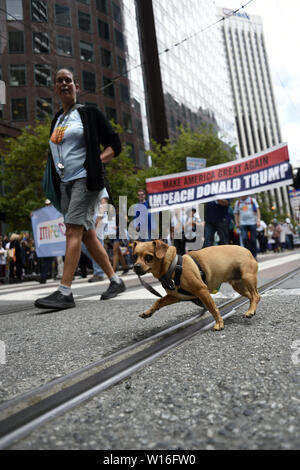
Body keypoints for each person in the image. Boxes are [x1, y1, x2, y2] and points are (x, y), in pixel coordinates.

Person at [35, 68, 125, 310]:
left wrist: (96, 162)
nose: (64, 84)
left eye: (68, 80)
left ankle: (65, 292)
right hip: (65, 185)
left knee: (73, 230)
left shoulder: (88, 113)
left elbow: (114, 144)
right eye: (59, 81)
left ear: (76, 86)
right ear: (55, 88)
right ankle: (115, 281)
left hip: (85, 180)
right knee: (87, 234)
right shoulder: (57, 120)